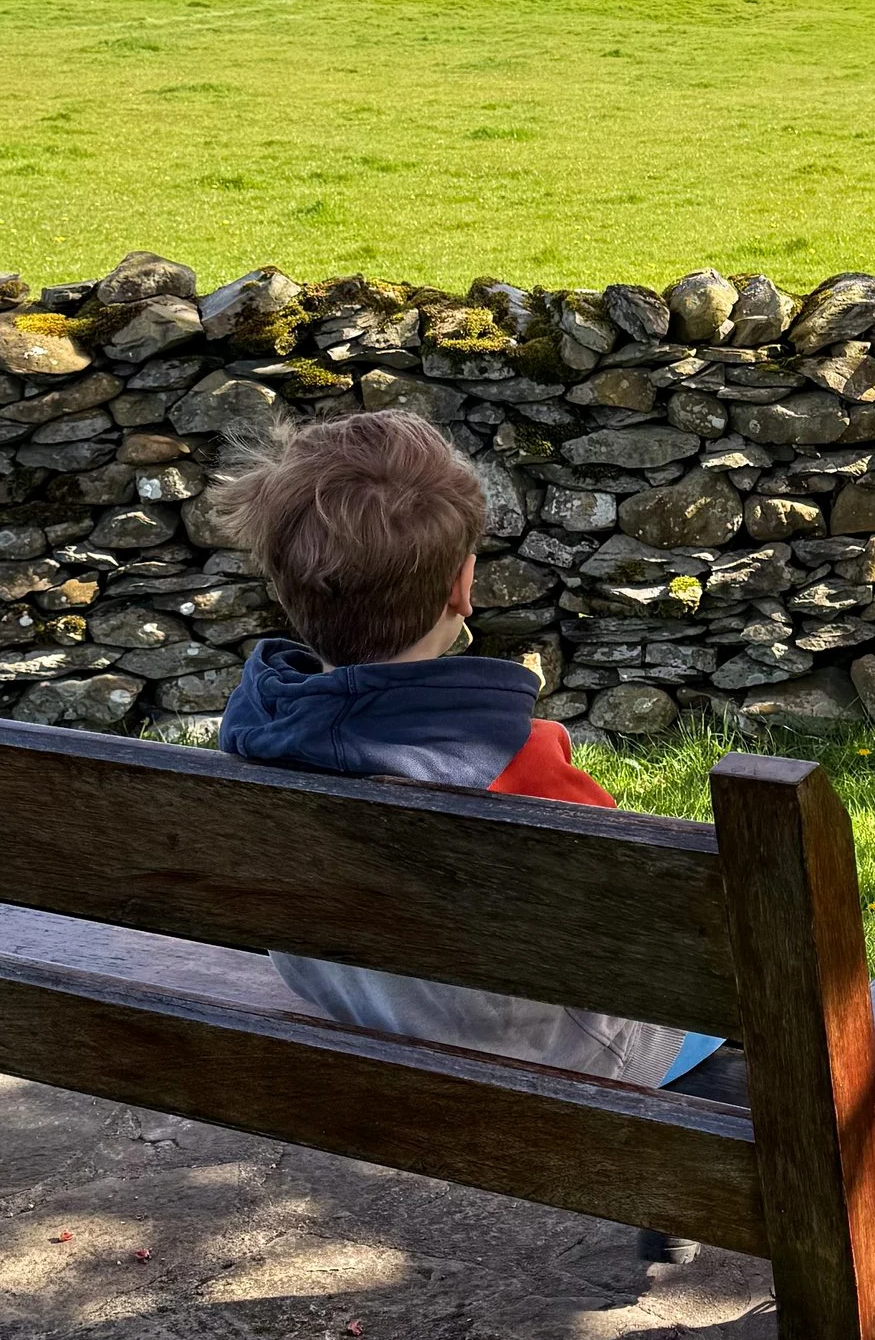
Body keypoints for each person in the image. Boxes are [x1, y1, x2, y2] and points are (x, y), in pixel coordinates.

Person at [215, 409, 722, 1099]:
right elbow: (634, 921)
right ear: (463, 586)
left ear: (283, 588)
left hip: (360, 998)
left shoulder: (256, 731)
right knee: (738, 967)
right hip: (552, 1051)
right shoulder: (515, 760)